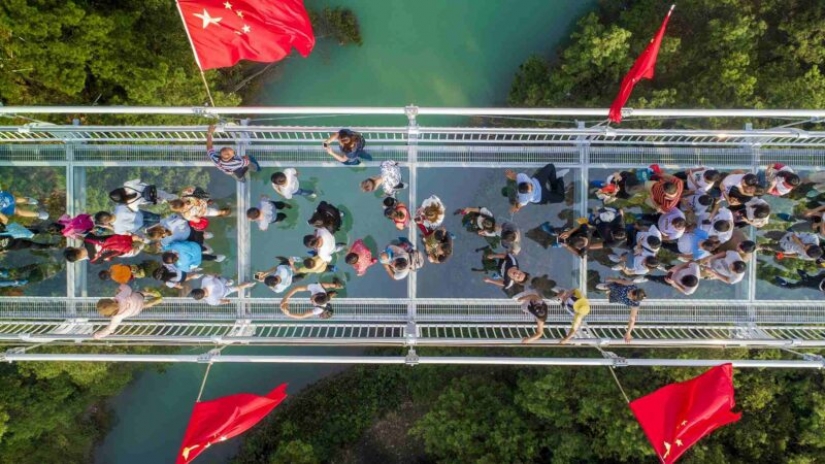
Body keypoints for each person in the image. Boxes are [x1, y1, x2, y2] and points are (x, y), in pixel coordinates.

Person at [92, 285, 163, 338]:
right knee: (139, 293)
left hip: (136, 309)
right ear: (111, 300)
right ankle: (151, 293)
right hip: (137, 298)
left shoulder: (116, 318)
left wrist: (97, 335)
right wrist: (120, 288)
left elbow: (109, 329)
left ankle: (152, 303)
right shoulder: (119, 297)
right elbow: (128, 288)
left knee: (143, 306)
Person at [595, 277, 646, 342]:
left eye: (632, 298)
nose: (630, 295)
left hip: (616, 297)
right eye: (632, 293)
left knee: (606, 294)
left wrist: (628, 332)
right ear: (634, 290)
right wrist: (612, 279)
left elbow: (632, 319)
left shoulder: (634, 304)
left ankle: (608, 292)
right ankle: (608, 288)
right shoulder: (630, 285)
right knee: (598, 286)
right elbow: (620, 281)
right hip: (615, 287)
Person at [279, 279, 344, 319]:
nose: (311, 300)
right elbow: (297, 288)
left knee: (328, 294)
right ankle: (336, 286)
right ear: (316, 294)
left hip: (324, 296)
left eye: (313, 301)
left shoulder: (319, 310)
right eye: (313, 299)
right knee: (324, 285)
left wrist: (289, 314)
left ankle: (334, 288)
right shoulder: (316, 288)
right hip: (321, 289)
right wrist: (285, 298)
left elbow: (302, 315)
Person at [532, 219, 597, 258]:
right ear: (579, 237)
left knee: (556, 245)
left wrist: (567, 246)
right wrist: (569, 232)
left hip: (570, 241)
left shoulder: (583, 251)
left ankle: (554, 238)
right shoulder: (586, 230)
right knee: (558, 231)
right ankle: (551, 230)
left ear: (578, 248)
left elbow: (578, 253)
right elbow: (581, 225)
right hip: (572, 231)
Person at [63, 234, 143, 263]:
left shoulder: (94, 260)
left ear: (78, 259)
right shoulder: (88, 239)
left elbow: (108, 258)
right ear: (73, 247)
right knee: (142, 237)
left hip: (127, 251)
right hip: (125, 239)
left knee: (143, 245)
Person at [108, 178, 175, 212]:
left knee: (166, 201)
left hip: (152, 199)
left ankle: (175, 202)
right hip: (153, 190)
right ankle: (177, 199)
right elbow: (138, 180)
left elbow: (136, 210)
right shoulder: (127, 185)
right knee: (168, 196)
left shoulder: (130, 203)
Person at [95, 204, 161, 236]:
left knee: (161, 223)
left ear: (105, 223)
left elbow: (128, 233)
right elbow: (132, 207)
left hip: (141, 226)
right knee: (160, 217)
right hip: (142, 214)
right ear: (107, 212)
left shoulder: (117, 230)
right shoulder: (119, 208)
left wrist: (107, 226)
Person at [190, 275, 255, 306]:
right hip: (222, 281)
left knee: (237, 288)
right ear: (198, 288)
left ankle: (249, 284)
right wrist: (216, 276)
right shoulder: (204, 280)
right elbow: (213, 275)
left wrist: (227, 301)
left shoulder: (210, 301)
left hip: (225, 291)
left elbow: (222, 301)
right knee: (228, 280)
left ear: (201, 298)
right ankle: (231, 281)